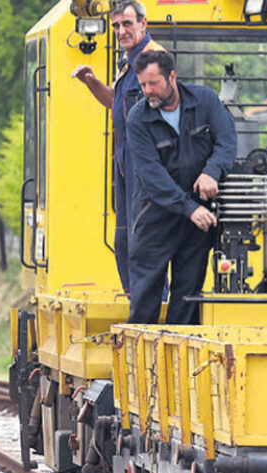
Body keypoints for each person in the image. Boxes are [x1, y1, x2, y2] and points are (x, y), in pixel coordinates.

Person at [126, 50, 237, 325]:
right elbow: (152, 175)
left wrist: (212, 171)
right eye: (142, 84)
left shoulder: (205, 101)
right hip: (156, 215)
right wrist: (189, 208)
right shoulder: (138, 119)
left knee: (187, 297)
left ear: (172, 77)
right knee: (145, 297)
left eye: (153, 83)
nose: (147, 91)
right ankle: (140, 351)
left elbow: (227, 140)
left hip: (198, 219)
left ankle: (179, 352)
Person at [71, 0, 165, 294]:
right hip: (126, 163)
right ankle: (137, 301)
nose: (121, 31)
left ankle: (157, 307)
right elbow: (116, 101)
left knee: (145, 242)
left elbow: (168, 111)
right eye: (116, 25)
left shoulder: (154, 59)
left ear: (143, 24)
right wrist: (91, 82)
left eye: (127, 23)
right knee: (124, 242)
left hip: (146, 164)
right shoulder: (128, 64)